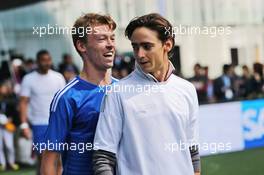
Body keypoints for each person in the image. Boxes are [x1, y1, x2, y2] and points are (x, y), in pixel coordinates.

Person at [93, 13, 200, 175]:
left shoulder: (187, 89)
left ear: (168, 44)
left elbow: (192, 150)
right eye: (135, 47)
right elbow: (103, 157)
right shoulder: (117, 93)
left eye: (147, 46)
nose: (139, 54)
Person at [41, 13, 117, 175]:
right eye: (102, 39)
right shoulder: (67, 97)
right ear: (82, 46)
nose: (110, 44)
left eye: (112, 38)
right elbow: (50, 158)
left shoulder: (124, 90)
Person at [19, 50, 66, 175]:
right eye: (43, 60)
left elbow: (64, 101)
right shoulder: (28, 79)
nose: (46, 63)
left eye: (48, 60)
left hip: (57, 124)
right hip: (38, 124)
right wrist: (24, 125)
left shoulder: (58, 77)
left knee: (59, 160)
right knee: (43, 159)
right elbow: (23, 102)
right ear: (37, 62)